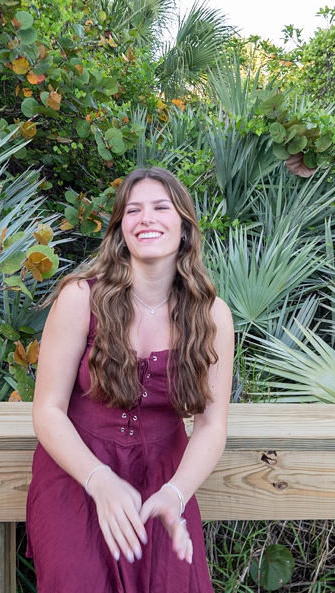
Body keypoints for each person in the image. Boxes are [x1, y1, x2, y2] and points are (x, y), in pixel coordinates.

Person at [25, 166, 234, 593]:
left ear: (184, 227)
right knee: (77, 581)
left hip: (165, 475)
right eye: (133, 210)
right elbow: (47, 410)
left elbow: (213, 426)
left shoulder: (213, 315)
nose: (146, 218)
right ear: (121, 229)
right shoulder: (81, 298)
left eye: (161, 207)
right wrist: (97, 479)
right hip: (76, 469)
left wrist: (177, 495)